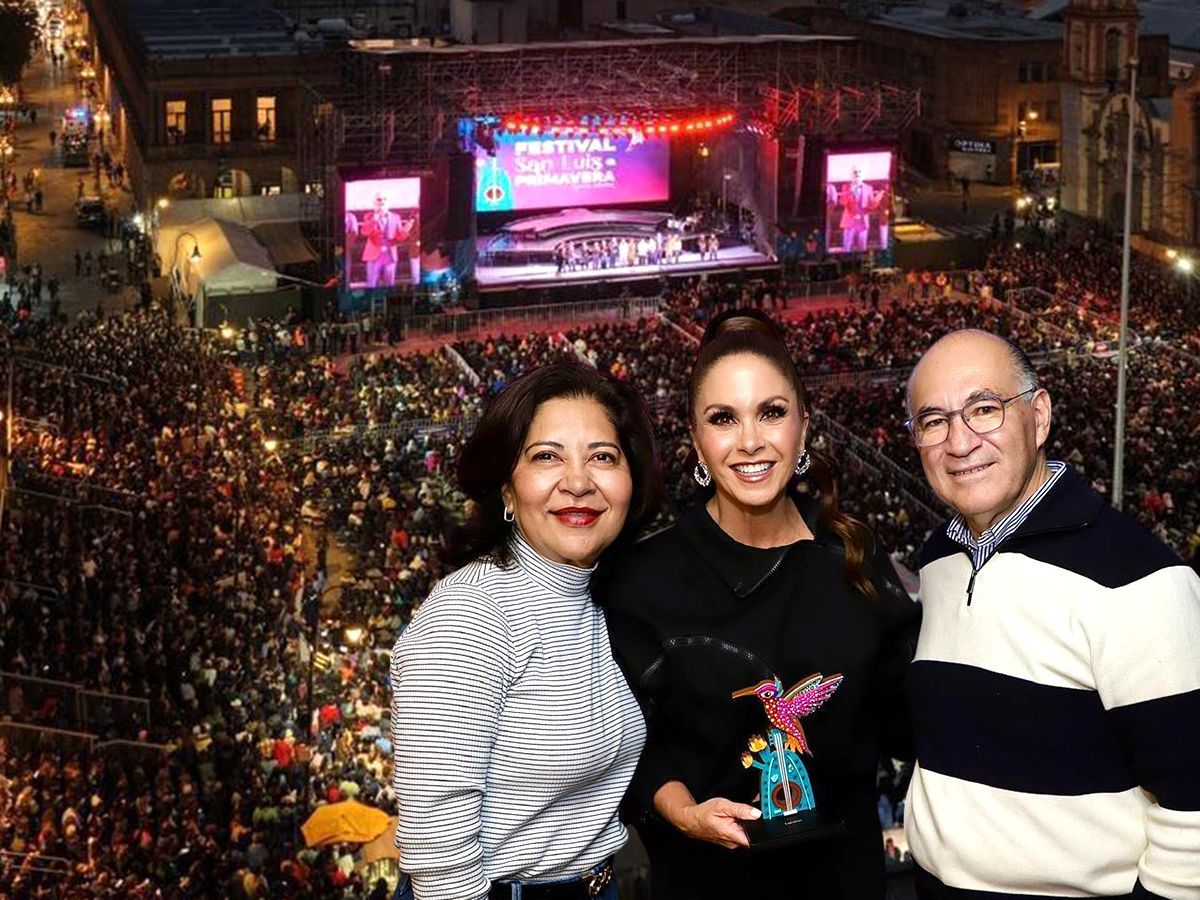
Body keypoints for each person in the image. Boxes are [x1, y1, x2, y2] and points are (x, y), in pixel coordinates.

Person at [601, 309, 920, 899]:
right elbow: (626, 748)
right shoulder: (643, 581)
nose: (750, 441)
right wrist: (683, 813)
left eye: (771, 412)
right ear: (696, 438)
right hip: (705, 886)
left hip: (846, 883)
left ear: (803, 425)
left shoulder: (855, 555)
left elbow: (909, 717)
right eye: (723, 418)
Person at [902, 329, 1200, 899]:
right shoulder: (938, 560)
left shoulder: (1141, 581)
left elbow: (1193, 807)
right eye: (933, 421)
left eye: (984, 409)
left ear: (1039, 417)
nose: (959, 442)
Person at [390, 363, 663, 900]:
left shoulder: (605, 599)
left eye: (602, 457)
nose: (579, 482)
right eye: (546, 457)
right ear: (508, 492)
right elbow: (439, 856)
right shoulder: (471, 614)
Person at [360, 193, 410, 289]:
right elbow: (364, 232)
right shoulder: (369, 217)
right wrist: (374, 219)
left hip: (390, 256)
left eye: (384, 200)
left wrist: (406, 229)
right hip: (374, 256)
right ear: (374, 203)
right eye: (379, 200)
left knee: (390, 285)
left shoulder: (395, 217)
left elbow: (399, 236)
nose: (381, 202)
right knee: (371, 284)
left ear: (388, 203)